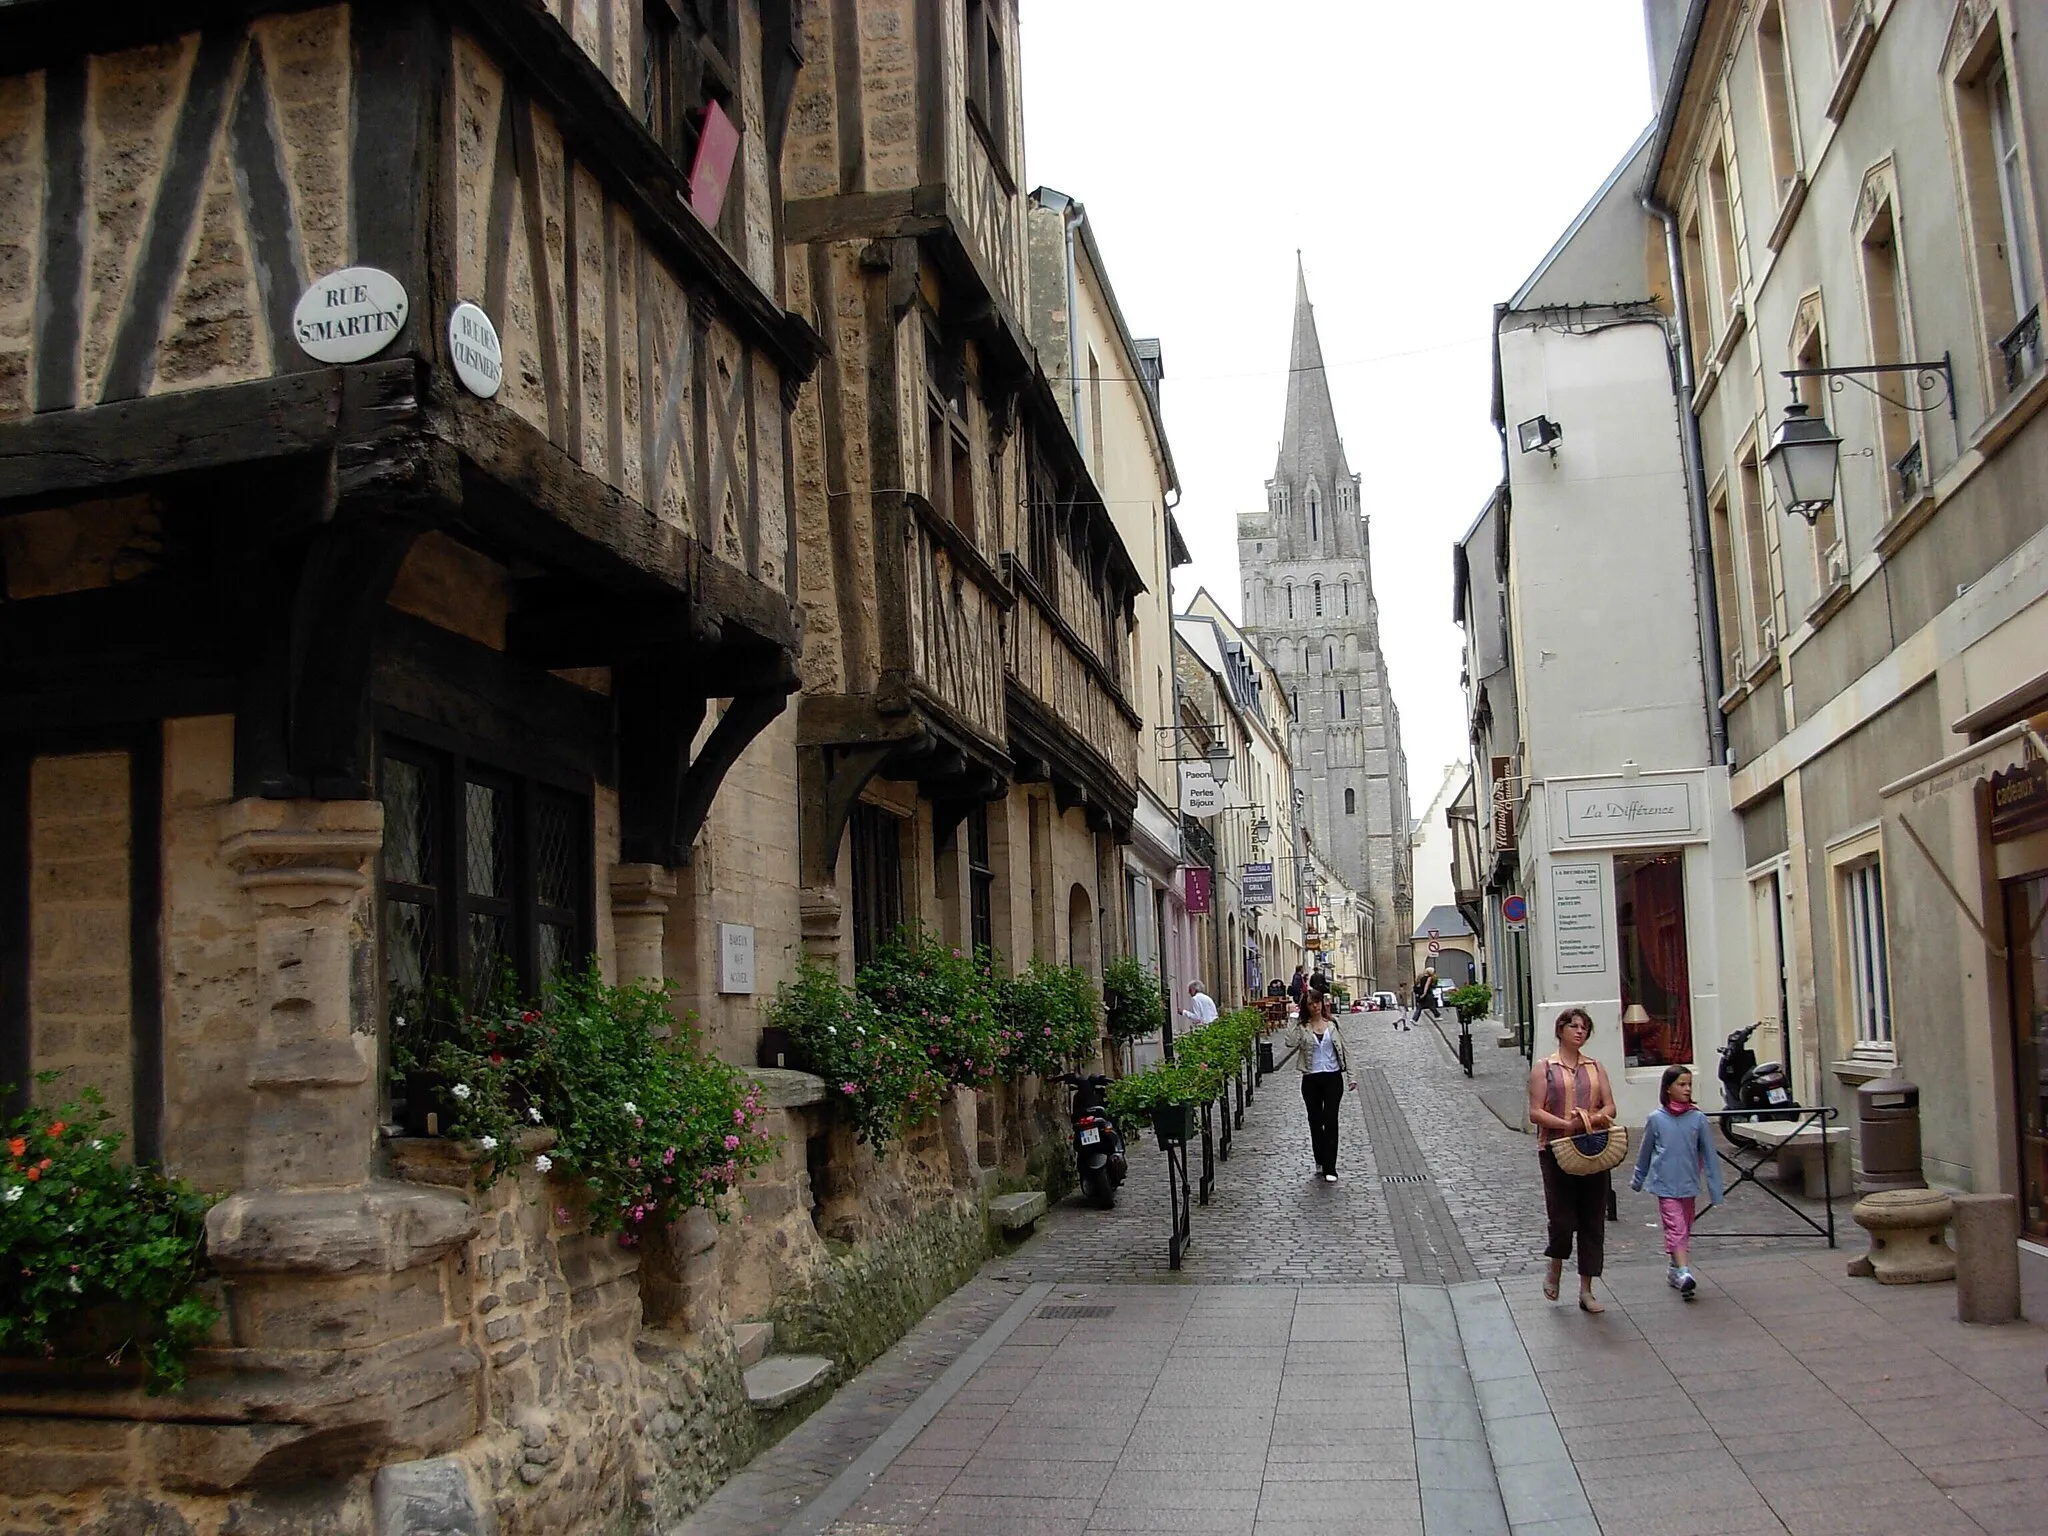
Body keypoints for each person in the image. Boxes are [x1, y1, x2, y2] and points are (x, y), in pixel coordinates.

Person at [1526, 1007, 1616, 1313]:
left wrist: (1595, 1118)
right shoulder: (1545, 1068)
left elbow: (1609, 1105)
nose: (1580, 1032)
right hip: (1556, 1149)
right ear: (1561, 1030)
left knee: (1593, 1219)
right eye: (1574, 1026)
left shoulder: (1595, 1067)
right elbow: (1535, 1111)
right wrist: (1567, 1125)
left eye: (1585, 1028)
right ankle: (1555, 1265)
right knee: (1562, 1218)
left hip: (1592, 1147)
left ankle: (1587, 1289)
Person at [1630, 1064, 1724, 1299]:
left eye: (1689, 1084)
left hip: (1688, 1183)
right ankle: (1684, 1271)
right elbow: (1645, 1151)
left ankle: (1674, 1269)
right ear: (1668, 1088)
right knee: (1676, 1227)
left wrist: (1715, 1189)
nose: (1686, 1088)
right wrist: (1638, 1177)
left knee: (1685, 1227)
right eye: (1681, 1084)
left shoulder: (1698, 1119)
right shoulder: (1656, 1119)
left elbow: (1709, 1155)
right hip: (1665, 1184)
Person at [1277, 981, 1354, 1181]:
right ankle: (1319, 1156)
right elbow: (1290, 1042)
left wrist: (1351, 1076)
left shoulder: (1333, 1024)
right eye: (1311, 1004)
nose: (1315, 1007)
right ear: (1306, 1007)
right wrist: (1293, 1017)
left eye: (1318, 1003)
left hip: (1333, 1077)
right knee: (1315, 1121)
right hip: (1311, 1078)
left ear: (1322, 1004)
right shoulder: (1303, 1027)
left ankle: (1330, 1167)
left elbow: (1345, 1050)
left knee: (1330, 1120)